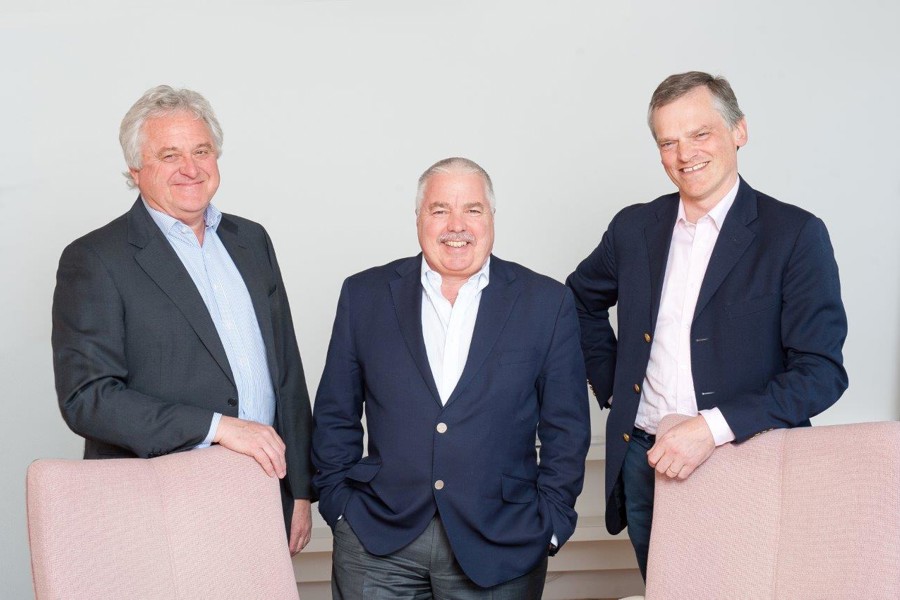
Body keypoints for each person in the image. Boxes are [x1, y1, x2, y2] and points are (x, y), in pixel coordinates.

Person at [566, 71, 848, 579]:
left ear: (739, 131)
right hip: (643, 461)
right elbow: (578, 300)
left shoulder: (795, 234)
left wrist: (712, 429)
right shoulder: (633, 228)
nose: (684, 154)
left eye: (700, 134)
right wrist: (617, 388)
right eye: (667, 141)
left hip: (746, 460)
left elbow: (821, 373)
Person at [51, 85, 315, 554]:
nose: (190, 169)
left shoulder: (251, 241)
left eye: (201, 151)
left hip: (262, 494)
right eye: (169, 155)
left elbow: (287, 375)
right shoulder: (95, 259)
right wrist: (216, 427)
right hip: (155, 506)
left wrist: (300, 488)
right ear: (135, 170)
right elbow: (87, 398)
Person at [312, 157, 591, 598]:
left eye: (473, 210)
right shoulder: (363, 295)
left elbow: (567, 428)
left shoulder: (545, 302)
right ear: (419, 217)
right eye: (440, 209)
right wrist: (339, 506)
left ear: (492, 217)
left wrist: (551, 522)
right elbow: (334, 413)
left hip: (502, 542)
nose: (456, 225)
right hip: (377, 537)